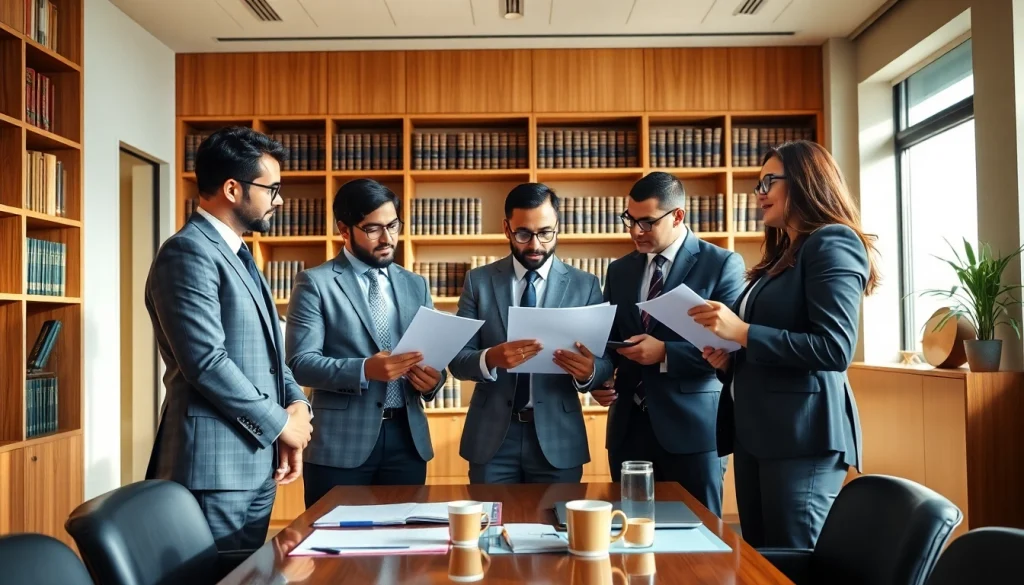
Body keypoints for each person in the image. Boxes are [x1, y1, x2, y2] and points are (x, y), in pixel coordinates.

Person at [690, 140, 877, 549]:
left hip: (802, 437)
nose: (759, 193)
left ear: (806, 182)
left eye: (769, 181)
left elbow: (834, 348)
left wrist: (741, 333)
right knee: (764, 561)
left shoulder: (833, 242)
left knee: (797, 559)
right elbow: (769, 343)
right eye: (757, 183)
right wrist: (729, 360)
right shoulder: (784, 254)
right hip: (758, 433)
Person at [144, 126, 313, 551]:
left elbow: (274, 350)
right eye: (271, 188)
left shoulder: (240, 252)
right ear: (233, 189)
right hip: (212, 466)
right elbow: (206, 362)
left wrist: (296, 406)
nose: (278, 200)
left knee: (247, 575)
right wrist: (280, 425)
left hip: (256, 460)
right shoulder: (187, 251)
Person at [286, 178, 444, 506]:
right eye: (373, 229)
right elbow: (300, 364)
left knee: (406, 547)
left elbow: (431, 355)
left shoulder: (416, 285)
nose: (387, 238)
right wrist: (365, 370)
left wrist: (432, 382)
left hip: (408, 441)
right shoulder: (315, 282)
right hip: (340, 445)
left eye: (393, 225)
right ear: (345, 230)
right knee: (334, 550)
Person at [599, 171, 745, 518]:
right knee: (628, 532)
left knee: (699, 539)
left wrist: (665, 353)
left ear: (678, 215)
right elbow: (607, 338)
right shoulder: (619, 271)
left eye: (646, 222)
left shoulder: (722, 264)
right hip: (627, 428)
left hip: (692, 430)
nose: (636, 231)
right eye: (629, 220)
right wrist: (600, 376)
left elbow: (731, 347)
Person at [448, 183, 614, 484]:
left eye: (546, 233)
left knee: (557, 528)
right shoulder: (479, 281)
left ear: (558, 227)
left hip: (559, 437)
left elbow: (604, 361)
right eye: (523, 234)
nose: (535, 245)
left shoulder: (585, 284)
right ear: (507, 229)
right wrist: (491, 358)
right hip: (492, 438)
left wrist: (590, 371)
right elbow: (457, 361)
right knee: (490, 527)